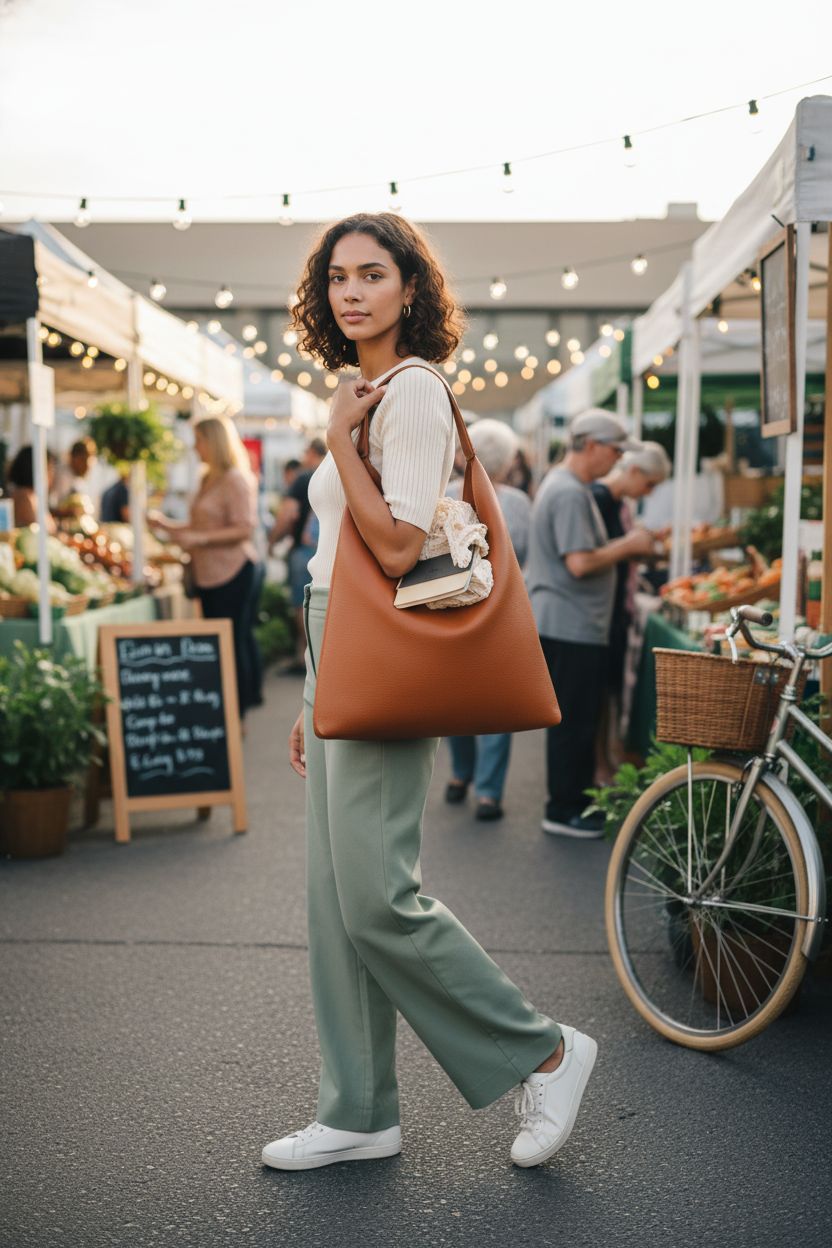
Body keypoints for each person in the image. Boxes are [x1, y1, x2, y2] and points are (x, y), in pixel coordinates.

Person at [261, 212, 597, 1174]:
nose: (352, 291)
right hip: (343, 647)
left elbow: (401, 546)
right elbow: (340, 557)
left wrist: (335, 435)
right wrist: (316, 688)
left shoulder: (407, 394)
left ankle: (546, 1049)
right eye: (337, 278)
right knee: (336, 899)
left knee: (376, 896)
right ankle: (358, 1109)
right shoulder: (369, 390)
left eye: (373, 274)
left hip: (377, 643)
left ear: (411, 288)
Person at [526, 409, 658, 839]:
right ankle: (564, 808)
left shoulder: (567, 487)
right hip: (571, 623)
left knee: (578, 720)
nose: (618, 461)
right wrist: (630, 545)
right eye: (616, 451)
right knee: (574, 721)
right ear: (593, 446)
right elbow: (580, 562)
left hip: (571, 622)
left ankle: (573, 803)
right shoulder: (568, 492)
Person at [444, 418, 532, 820]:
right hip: (499, 608)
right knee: (496, 699)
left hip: (450, 606)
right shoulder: (516, 502)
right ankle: (489, 792)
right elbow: (523, 556)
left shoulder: (443, 496)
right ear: (508, 460)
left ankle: (460, 774)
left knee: (454, 694)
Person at [148, 416, 262, 719]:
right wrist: (166, 525)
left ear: (213, 442)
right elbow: (199, 526)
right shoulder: (206, 478)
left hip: (232, 572)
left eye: (198, 439)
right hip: (209, 574)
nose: (194, 447)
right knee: (222, 642)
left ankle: (237, 713)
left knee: (231, 642)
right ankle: (229, 707)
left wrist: (199, 538)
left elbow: (244, 529)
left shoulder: (235, 480)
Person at [591, 442, 671, 783]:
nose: (648, 493)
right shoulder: (598, 499)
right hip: (601, 611)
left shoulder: (618, 504)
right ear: (634, 471)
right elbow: (591, 556)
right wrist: (633, 545)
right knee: (599, 696)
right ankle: (599, 765)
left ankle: (607, 758)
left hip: (615, 608)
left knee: (608, 692)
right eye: (650, 484)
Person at [269, 439, 327, 673]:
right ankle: (325, 656)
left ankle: (304, 656)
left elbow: (288, 515)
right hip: (332, 550)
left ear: (312, 453)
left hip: (304, 552)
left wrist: (272, 541)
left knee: (301, 604)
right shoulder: (338, 474)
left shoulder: (303, 478)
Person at [6, 445, 57, 531]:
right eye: (49, 468)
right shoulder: (24, 498)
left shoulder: (32, 496)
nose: (52, 474)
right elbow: (37, 532)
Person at [52, 437, 99, 517]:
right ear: (76, 458)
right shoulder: (61, 475)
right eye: (84, 462)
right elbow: (54, 507)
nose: (87, 469)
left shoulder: (77, 477)